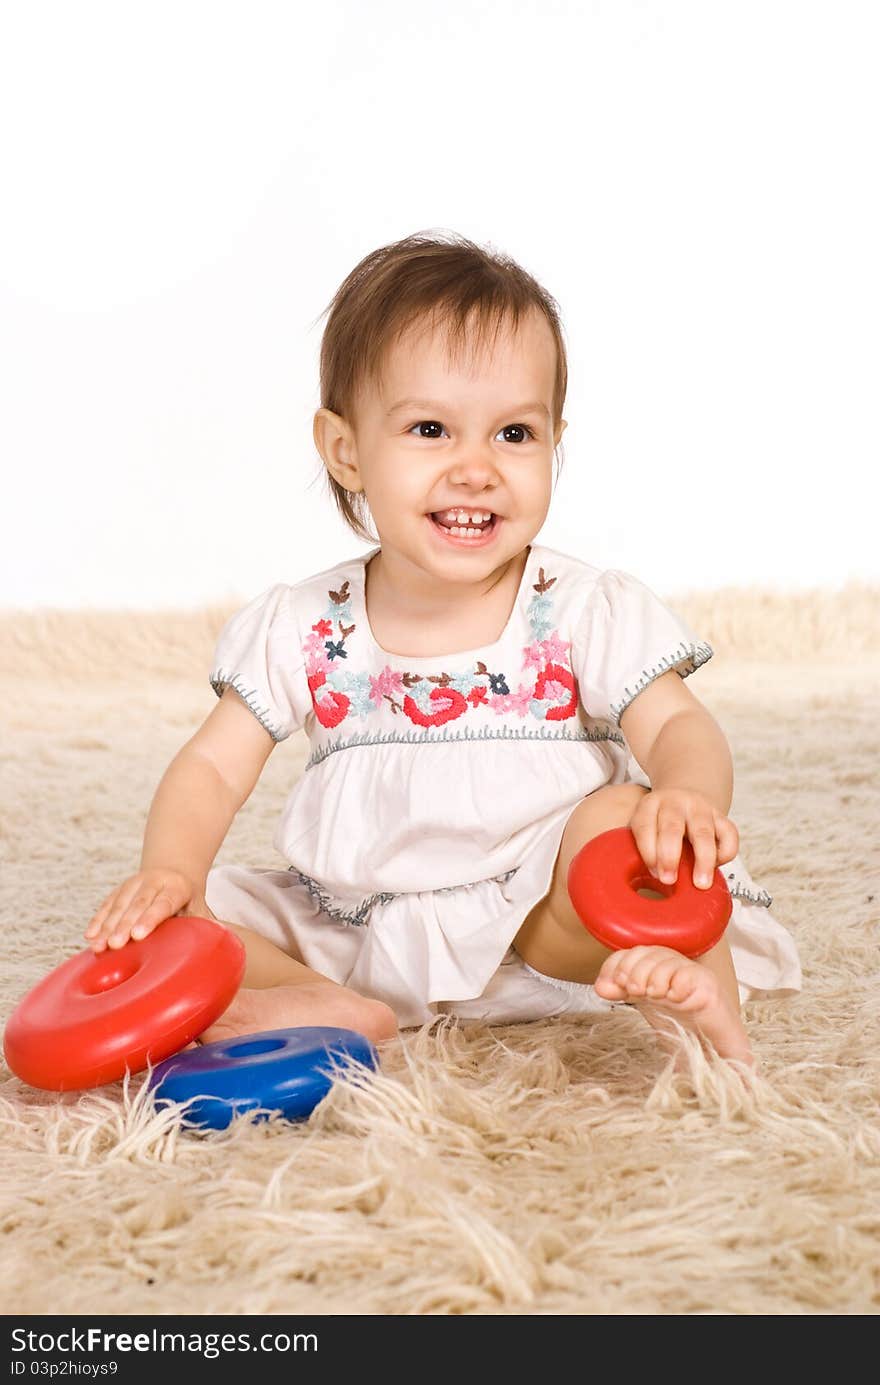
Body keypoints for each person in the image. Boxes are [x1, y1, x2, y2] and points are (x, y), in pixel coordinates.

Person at [84, 230, 801, 1067]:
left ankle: (697, 1001)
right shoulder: (308, 623)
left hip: (555, 926)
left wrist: (685, 793)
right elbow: (211, 766)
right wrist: (171, 870)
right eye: (431, 429)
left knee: (626, 823)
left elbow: (679, 724)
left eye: (514, 434)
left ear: (554, 441)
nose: (476, 467)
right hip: (359, 924)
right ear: (346, 450)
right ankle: (341, 1005)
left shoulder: (578, 607)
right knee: (187, 921)